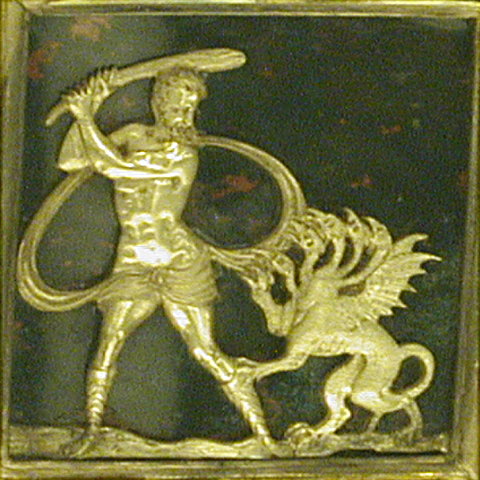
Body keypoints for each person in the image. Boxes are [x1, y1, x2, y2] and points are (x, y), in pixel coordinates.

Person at [61, 68, 280, 455]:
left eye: (191, 105)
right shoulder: (132, 134)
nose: (185, 111)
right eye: (179, 102)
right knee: (108, 343)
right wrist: (88, 107)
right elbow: (71, 160)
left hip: (178, 260)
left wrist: (85, 118)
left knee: (204, 351)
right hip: (132, 261)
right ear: (159, 100)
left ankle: (264, 435)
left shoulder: (183, 153)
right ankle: (91, 430)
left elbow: (115, 168)